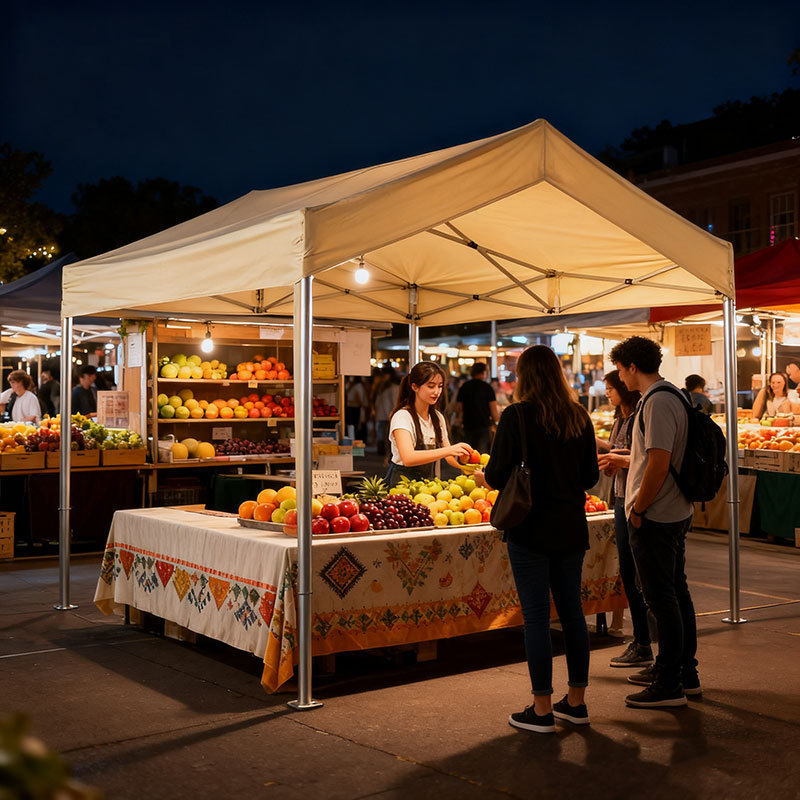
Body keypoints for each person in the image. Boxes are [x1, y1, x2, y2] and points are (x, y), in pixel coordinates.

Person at [475, 345, 598, 734]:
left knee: (536, 618)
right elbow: (591, 476)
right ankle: (576, 703)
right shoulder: (579, 415)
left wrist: (485, 477)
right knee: (573, 614)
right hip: (571, 527)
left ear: (523, 375)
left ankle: (542, 708)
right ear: (558, 373)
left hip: (529, 528)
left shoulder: (517, 415)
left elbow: (496, 476)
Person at [609, 336, 699, 708]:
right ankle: (682, 672)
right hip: (672, 510)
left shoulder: (658, 401)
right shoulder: (671, 395)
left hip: (658, 515)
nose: (619, 377)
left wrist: (638, 509)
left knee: (663, 598)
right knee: (674, 593)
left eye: (620, 369)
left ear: (633, 367)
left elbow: (658, 462)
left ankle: (670, 683)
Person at [596, 371, 653, 667]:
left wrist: (619, 460)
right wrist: (612, 460)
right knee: (628, 573)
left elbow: (647, 459)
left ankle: (647, 642)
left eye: (611, 387)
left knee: (643, 575)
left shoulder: (644, 414)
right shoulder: (619, 418)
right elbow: (621, 454)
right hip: (620, 497)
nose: (607, 392)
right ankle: (642, 641)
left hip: (638, 500)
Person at [385, 362, 471, 487]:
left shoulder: (437, 417)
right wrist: (450, 450)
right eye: (431, 386)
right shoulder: (402, 416)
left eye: (440, 386)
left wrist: (464, 463)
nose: (437, 392)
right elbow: (408, 458)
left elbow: (449, 457)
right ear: (415, 387)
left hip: (427, 486)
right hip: (401, 487)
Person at [456, 362, 499, 454]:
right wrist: (497, 424)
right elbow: (493, 410)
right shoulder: (487, 387)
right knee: (482, 454)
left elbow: (459, 407)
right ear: (484, 372)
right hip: (483, 425)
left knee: (467, 453)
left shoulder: (465, 386)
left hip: (468, 424)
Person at [374, 366, 400, 459]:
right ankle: (385, 453)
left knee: (387, 437)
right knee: (383, 435)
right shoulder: (382, 386)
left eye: (385, 374)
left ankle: (388, 455)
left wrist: (394, 415)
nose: (383, 376)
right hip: (383, 415)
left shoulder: (393, 387)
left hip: (388, 415)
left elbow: (395, 402)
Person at [345, 376, 368, 441]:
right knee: (355, 425)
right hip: (355, 407)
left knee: (351, 425)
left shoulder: (350, 385)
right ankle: (355, 439)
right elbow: (360, 397)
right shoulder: (358, 386)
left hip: (350, 407)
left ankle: (352, 439)